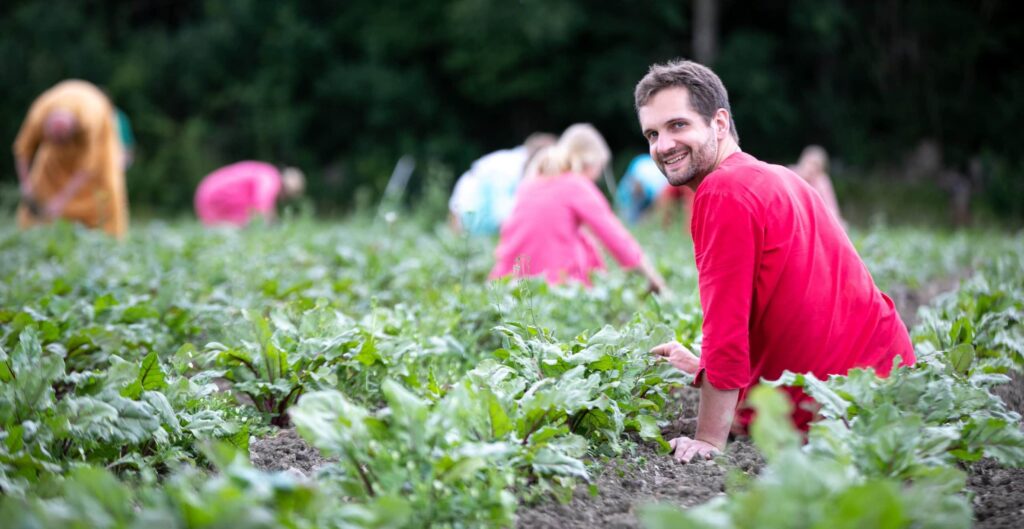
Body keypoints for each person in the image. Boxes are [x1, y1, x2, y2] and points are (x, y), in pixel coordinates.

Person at [636, 60, 914, 463]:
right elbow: (787, 308)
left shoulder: (722, 191)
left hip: (842, 404)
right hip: (888, 383)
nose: (662, 145)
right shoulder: (780, 177)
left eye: (678, 125)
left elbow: (726, 329)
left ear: (718, 122)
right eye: (652, 133)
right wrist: (704, 367)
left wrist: (709, 439)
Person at [490, 124, 666, 293]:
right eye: (599, 168)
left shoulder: (529, 184)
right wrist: (655, 280)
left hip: (507, 287)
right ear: (591, 162)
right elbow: (616, 239)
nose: (597, 177)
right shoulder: (575, 185)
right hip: (555, 289)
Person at [14, 80, 129, 238]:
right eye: (54, 139)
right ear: (47, 128)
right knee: (43, 179)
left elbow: (88, 167)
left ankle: (106, 238)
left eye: (62, 140)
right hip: (56, 140)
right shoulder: (38, 114)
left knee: (105, 184)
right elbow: (22, 150)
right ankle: (31, 234)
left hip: (99, 135)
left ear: (72, 130)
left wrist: (61, 201)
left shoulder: (91, 119)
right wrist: (26, 185)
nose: (60, 145)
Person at [448, 133, 556, 236]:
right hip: (470, 205)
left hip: (470, 200)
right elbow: (502, 216)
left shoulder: (524, 158)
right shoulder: (507, 170)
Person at [194, 161, 305, 227]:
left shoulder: (266, 172)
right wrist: (274, 223)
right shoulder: (271, 177)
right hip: (211, 198)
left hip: (205, 194)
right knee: (253, 224)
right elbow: (262, 204)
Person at [792, 145, 841, 221]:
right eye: (809, 162)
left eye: (816, 166)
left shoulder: (821, 182)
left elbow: (833, 211)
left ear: (821, 170)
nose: (811, 168)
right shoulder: (790, 174)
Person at [616, 154, 668, 223]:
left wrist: (645, 218)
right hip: (641, 168)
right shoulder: (626, 187)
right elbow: (621, 203)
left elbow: (656, 207)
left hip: (657, 185)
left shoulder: (654, 188)